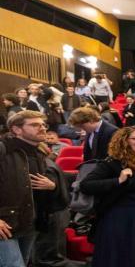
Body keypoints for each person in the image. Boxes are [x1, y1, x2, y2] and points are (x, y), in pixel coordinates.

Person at [80, 126, 135, 267]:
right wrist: (118, 180)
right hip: (118, 218)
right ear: (125, 141)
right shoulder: (112, 163)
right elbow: (86, 185)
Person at [0, 111, 58, 267]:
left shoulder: (38, 152)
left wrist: (52, 185)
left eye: (43, 124)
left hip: (30, 220)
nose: (42, 128)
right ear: (17, 129)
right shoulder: (3, 148)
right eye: (34, 125)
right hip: (5, 224)